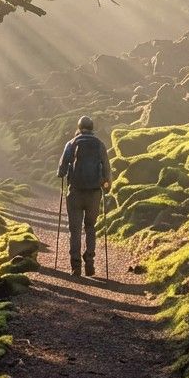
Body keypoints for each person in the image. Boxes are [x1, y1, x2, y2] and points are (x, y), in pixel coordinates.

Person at [56, 115, 111, 276]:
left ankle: (76, 265)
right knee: (90, 227)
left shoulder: (72, 143)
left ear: (79, 128)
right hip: (94, 192)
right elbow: (106, 166)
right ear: (92, 128)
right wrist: (106, 185)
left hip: (75, 192)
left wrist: (62, 173)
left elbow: (61, 167)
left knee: (75, 229)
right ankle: (90, 261)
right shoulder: (100, 144)